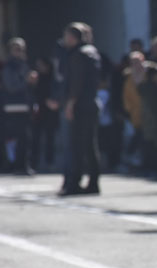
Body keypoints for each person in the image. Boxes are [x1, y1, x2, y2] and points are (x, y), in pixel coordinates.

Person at [59, 22, 102, 196]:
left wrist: (70, 104)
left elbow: (77, 83)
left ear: (72, 37)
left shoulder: (77, 54)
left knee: (77, 146)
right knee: (90, 145)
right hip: (91, 103)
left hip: (81, 105)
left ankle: (74, 183)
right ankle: (93, 182)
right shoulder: (92, 52)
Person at [1, 37, 37, 175]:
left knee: (26, 137)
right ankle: (14, 165)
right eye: (17, 49)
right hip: (13, 106)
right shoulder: (9, 66)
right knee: (15, 137)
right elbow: (11, 87)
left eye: (21, 49)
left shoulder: (25, 64)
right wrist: (26, 81)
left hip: (25, 105)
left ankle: (24, 164)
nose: (19, 52)